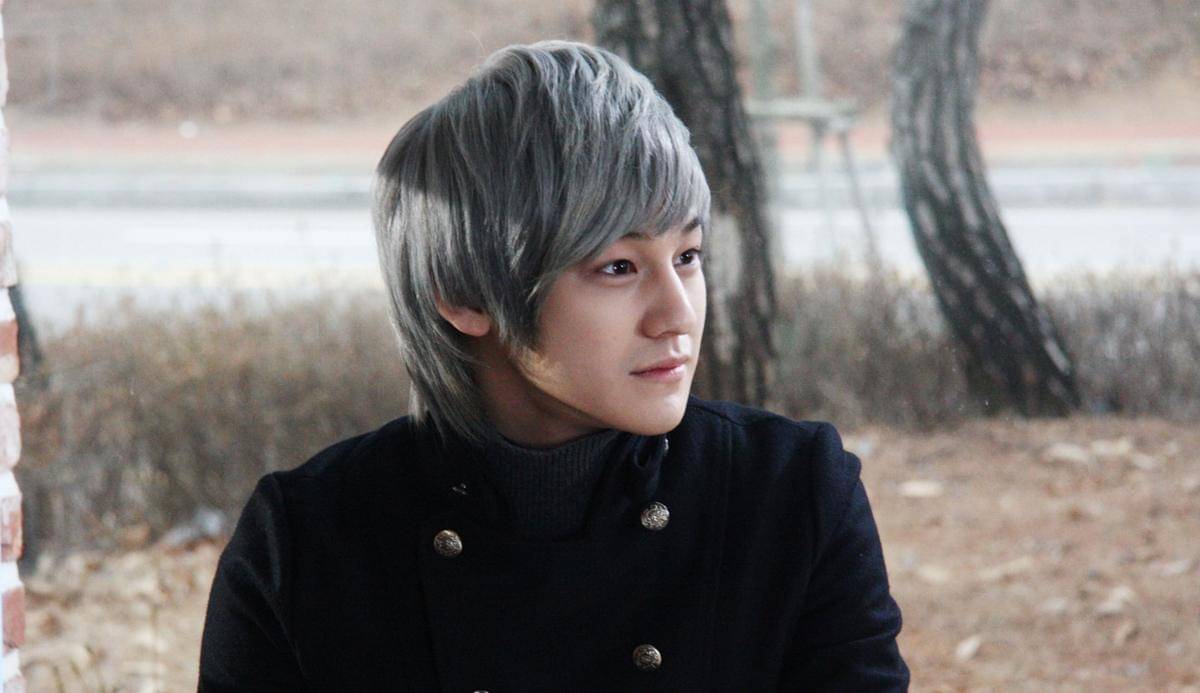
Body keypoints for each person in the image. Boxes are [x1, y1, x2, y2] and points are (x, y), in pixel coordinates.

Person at [199, 40, 909, 691]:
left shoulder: (790, 497)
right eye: (619, 266)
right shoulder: (309, 543)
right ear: (464, 293)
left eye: (687, 256)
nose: (677, 313)